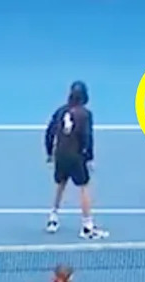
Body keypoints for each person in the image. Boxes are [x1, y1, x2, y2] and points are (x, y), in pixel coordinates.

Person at [44, 81, 109, 240]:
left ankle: (53, 218)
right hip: (75, 156)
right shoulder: (85, 114)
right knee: (84, 187)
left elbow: (49, 132)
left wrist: (49, 152)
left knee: (60, 184)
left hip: (60, 154)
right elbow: (87, 137)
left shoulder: (60, 111)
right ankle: (87, 226)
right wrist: (89, 157)